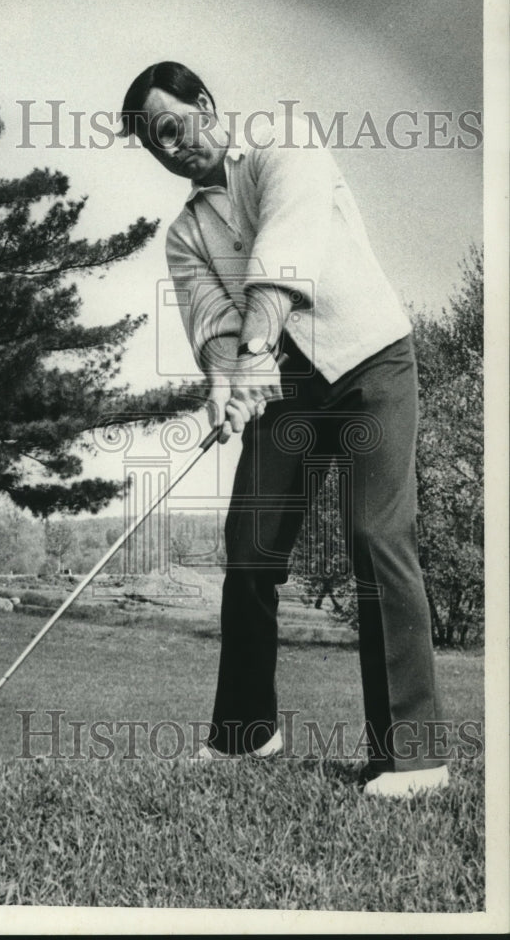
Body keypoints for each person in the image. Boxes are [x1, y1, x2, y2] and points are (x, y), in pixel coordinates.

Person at [118, 62, 448, 798]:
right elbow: (211, 325)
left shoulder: (282, 140)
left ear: (203, 105)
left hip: (369, 361)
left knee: (374, 537)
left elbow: (284, 251)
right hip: (288, 391)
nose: (169, 149)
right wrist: (225, 385)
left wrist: (256, 350)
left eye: (172, 127)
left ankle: (414, 758)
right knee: (250, 547)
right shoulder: (184, 234)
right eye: (153, 145)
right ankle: (244, 735)